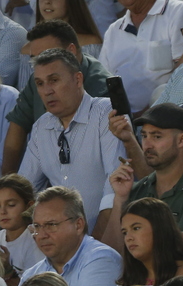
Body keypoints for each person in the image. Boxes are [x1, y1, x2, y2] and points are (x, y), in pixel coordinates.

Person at [15, 48, 122, 233]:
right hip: (59, 243)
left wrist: (93, 245)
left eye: (54, 80)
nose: (46, 91)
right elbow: (25, 189)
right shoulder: (41, 127)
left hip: (107, 235)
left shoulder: (106, 113)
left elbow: (115, 187)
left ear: (78, 79)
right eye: (40, 83)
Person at [1, 187, 118, 286]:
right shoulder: (31, 274)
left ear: (78, 225)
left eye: (51, 225)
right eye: (37, 227)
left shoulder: (101, 259)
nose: (42, 235)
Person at [100, 103, 183, 262]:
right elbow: (108, 256)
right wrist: (120, 199)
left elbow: (176, 256)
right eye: (144, 136)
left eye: (157, 136)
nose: (147, 145)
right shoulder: (136, 190)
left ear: (181, 140)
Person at [1, 21, 111, 176]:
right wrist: (8, 181)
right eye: (34, 59)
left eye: (47, 56)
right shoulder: (38, 79)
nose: (40, 65)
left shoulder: (102, 90)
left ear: (71, 52)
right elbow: (18, 124)